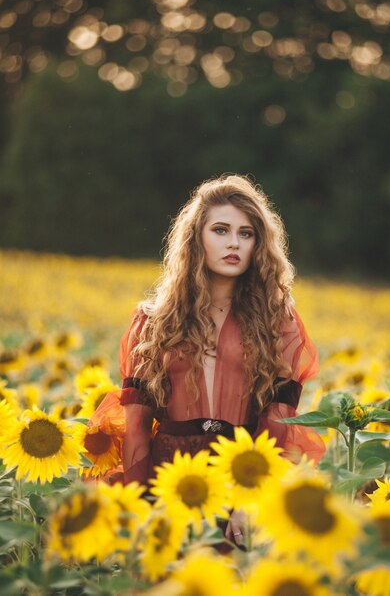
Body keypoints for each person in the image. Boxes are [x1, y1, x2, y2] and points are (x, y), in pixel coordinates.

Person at [89, 174, 326, 544]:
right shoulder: (153, 320)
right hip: (168, 476)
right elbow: (136, 426)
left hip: (240, 474)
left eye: (246, 234)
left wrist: (249, 500)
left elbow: (278, 421)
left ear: (258, 245)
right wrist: (137, 504)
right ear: (196, 237)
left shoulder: (278, 321)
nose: (233, 243)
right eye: (220, 230)